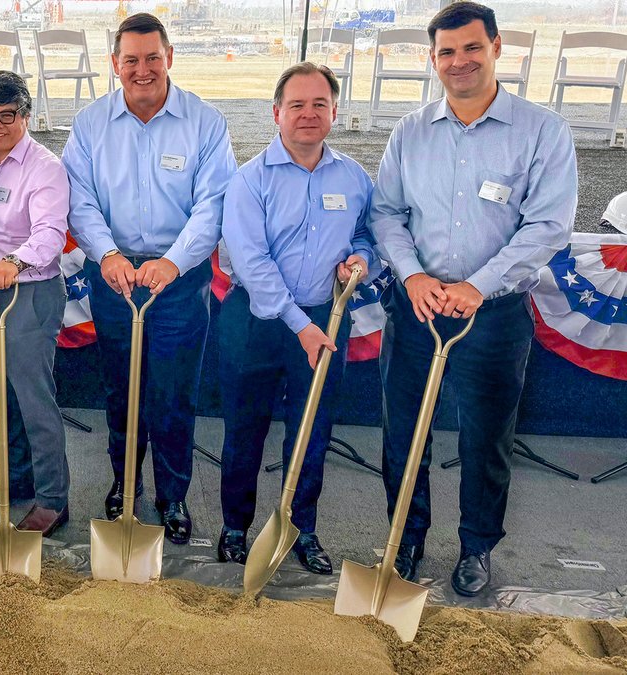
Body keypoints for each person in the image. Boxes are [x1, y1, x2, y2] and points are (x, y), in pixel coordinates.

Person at [370, 1, 577, 596]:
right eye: (446, 52)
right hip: (417, 310)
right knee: (404, 431)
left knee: (486, 437)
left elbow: (547, 227)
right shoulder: (410, 132)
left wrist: (475, 287)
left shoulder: (542, 132)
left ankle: (476, 547)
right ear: (432, 58)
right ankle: (405, 539)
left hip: (493, 315)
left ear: (496, 48)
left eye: (471, 48)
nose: (459, 62)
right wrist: (412, 277)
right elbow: (386, 214)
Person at [61, 13, 236, 544]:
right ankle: (124, 482)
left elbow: (213, 205)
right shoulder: (90, 124)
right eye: (131, 60)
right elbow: (80, 200)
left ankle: (173, 494)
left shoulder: (205, 122)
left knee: (174, 393)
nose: (142, 70)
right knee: (121, 389)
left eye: (152, 58)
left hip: (178, 282)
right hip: (114, 279)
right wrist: (108, 253)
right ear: (115, 64)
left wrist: (173, 262)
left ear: (170, 58)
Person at [217, 62, 373, 574]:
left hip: (324, 321)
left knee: (312, 431)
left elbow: (367, 236)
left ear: (334, 112)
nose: (309, 114)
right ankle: (235, 527)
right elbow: (251, 262)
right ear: (276, 114)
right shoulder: (248, 180)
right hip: (259, 322)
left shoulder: (354, 178)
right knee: (245, 427)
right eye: (297, 105)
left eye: (319, 104)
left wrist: (361, 259)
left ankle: (300, 527)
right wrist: (299, 324)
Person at [0, 71, 71, 537]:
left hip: (29, 293)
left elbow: (50, 234)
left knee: (34, 399)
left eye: (6, 115)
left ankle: (52, 498)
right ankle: (17, 474)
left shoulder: (44, 167)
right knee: (2, 396)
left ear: (24, 116)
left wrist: (13, 261)